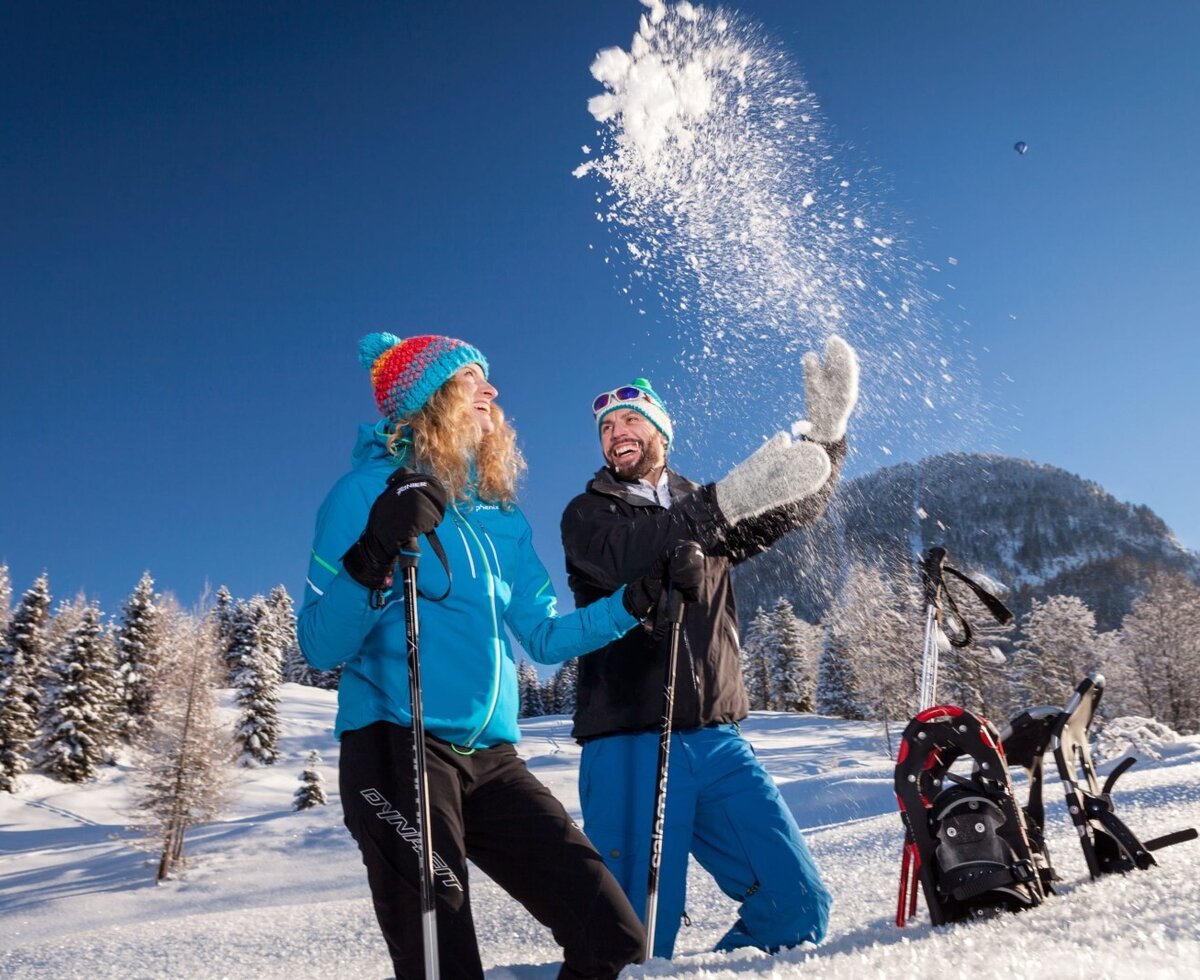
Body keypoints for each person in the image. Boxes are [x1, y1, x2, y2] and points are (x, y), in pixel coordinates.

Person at [298, 332, 702, 979]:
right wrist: (373, 552)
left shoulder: (499, 516)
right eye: (469, 379)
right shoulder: (365, 492)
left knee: (614, 939)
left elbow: (543, 635)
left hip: (491, 762)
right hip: (397, 750)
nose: (491, 390)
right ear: (428, 398)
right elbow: (319, 643)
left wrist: (635, 601)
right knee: (445, 965)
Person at [559, 335, 860, 958]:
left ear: (661, 432)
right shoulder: (589, 514)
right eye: (606, 427)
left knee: (796, 906)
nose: (616, 433)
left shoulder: (708, 506)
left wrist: (829, 440)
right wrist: (722, 503)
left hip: (717, 742)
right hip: (629, 743)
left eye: (631, 420)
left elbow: (792, 507)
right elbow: (626, 559)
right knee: (636, 941)